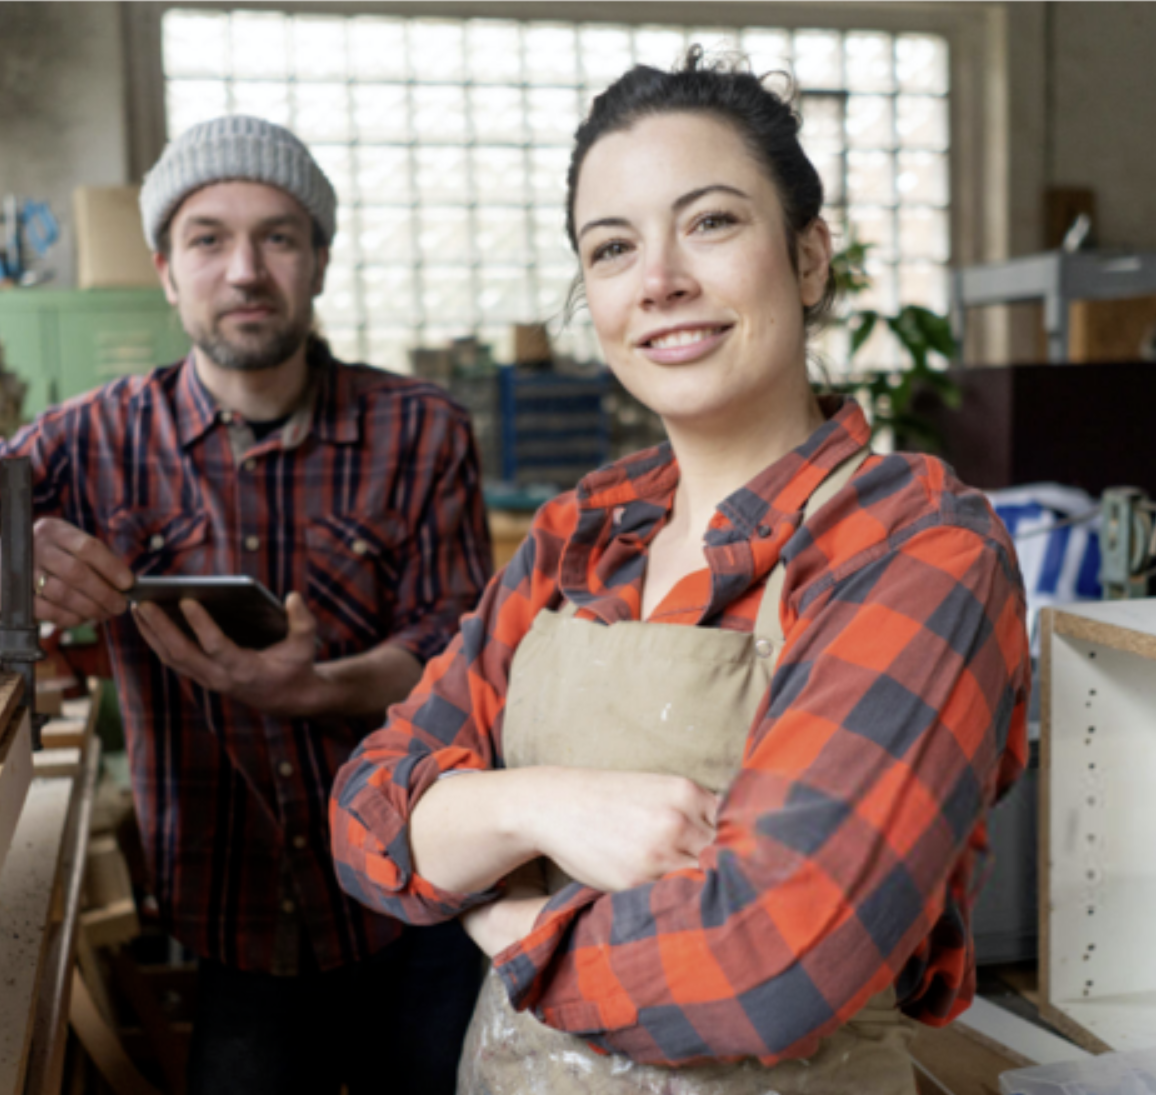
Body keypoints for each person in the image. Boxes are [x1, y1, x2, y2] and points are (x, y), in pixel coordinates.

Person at [330, 52, 1031, 1094]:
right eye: (611, 248)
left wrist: (505, 916)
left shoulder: (917, 553)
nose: (658, 281)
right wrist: (540, 807)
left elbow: (770, 964)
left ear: (806, 258)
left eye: (709, 222)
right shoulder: (581, 537)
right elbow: (368, 812)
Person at [0, 115, 491, 1095]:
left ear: (318, 260)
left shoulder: (419, 428)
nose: (244, 271)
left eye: (278, 236)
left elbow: (459, 650)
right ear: (163, 268)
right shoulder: (92, 438)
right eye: (207, 238)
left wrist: (314, 690)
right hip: (234, 912)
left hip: (418, 894)